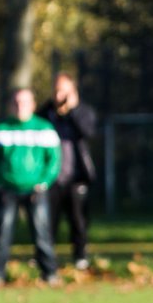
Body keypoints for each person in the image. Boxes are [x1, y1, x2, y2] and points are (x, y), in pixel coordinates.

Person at [0, 87, 61, 286]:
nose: (20, 107)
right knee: (2, 231)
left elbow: (53, 161)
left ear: (33, 105)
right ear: (10, 105)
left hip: (36, 190)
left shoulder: (44, 129)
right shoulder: (1, 129)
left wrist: (43, 183)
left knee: (42, 232)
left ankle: (50, 273)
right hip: (7, 189)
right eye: (16, 102)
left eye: (25, 102)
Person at [40, 72, 97, 271]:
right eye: (57, 90)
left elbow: (88, 132)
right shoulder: (46, 113)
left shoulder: (83, 112)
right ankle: (47, 258)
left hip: (76, 177)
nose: (59, 96)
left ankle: (80, 256)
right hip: (51, 177)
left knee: (78, 220)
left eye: (64, 91)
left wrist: (72, 111)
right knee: (48, 220)